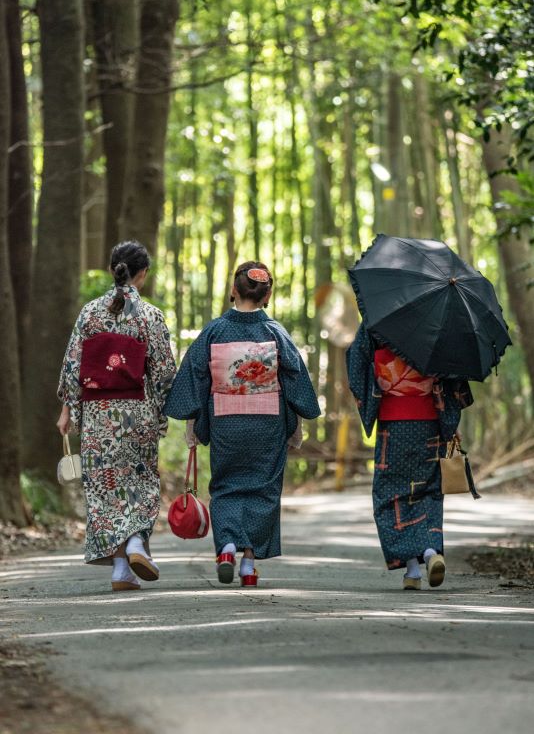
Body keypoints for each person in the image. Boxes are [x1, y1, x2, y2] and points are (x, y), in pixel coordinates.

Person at [164, 261, 321, 587]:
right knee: (263, 490)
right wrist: (299, 423)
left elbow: (196, 377)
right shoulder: (275, 333)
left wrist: (192, 422)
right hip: (268, 422)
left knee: (226, 486)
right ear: (267, 296)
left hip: (226, 421)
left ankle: (226, 550)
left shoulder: (215, 331)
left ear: (233, 291)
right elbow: (294, 380)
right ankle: (249, 565)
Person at [57, 241, 176, 591]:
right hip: (137, 410)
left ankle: (121, 568)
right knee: (140, 482)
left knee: (105, 488)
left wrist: (67, 408)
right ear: (143, 274)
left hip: (97, 415)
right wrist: (168, 411)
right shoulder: (150, 315)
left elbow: (73, 365)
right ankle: (137, 543)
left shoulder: (90, 313)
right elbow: (164, 371)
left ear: (113, 270)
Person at [346, 323, 473, 590]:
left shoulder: (377, 320)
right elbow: (453, 373)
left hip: (393, 424)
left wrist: (374, 395)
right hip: (430, 422)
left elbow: (356, 361)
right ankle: (429, 552)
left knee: (390, 494)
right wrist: (449, 421)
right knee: (428, 491)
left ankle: (413, 571)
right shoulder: (436, 320)